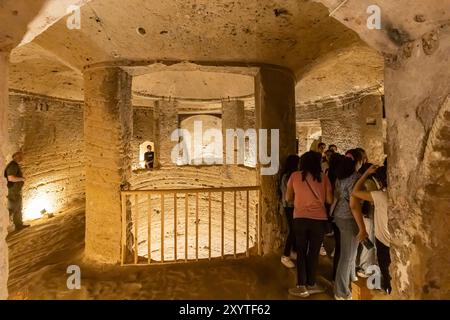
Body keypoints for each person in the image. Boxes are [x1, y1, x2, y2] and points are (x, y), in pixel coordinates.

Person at [286, 151, 333, 298]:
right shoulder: (324, 177)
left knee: (301, 251)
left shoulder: (294, 176)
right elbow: (330, 200)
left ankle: (301, 286)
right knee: (313, 253)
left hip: (300, 218)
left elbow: (288, 198)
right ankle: (312, 284)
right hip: (318, 220)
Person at [352, 161, 391, 294]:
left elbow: (355, 192)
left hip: (383, 239)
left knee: (385, 271)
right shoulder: (393, 195)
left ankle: (384, 289)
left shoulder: (380, 196)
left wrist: (365, 174)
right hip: (392, 240)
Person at [332, 152, 367, 300]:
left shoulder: (340, 176)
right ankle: (341, 292)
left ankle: (351, 276)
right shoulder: (356, 178)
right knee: (347, 256)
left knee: (350, 253)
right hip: (349, 218)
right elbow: (355, 206)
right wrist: (362, 227)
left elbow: (337, 196)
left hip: (339, 215)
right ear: (358, 161)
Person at [355, 162, 378, 278]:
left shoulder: (363, 182)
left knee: (367, 242)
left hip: (366, 216)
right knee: (369, 243)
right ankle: (365, 267)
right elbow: (373, 200)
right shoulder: (369, 183)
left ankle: (364, 265)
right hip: (369, 216)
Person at [279, 155, 300, 269]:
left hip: (292, 206)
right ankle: (285, 255)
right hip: (289, 206)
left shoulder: (289, 175)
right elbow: (289, 194)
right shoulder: (289, 177)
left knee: (295, 229)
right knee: (293, 230)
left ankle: (293, 251)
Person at [4, 151, 29, 232]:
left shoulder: (14, 165)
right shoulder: (13, 165)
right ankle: (6, 228)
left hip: (15, 191)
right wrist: (22, 179)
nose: (22, 158)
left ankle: (19, 225)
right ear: (16, 157)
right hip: (13, 192)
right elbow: (10, 178)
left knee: (17, 208)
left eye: (22, 156)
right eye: (20, 156)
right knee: (13, 209)